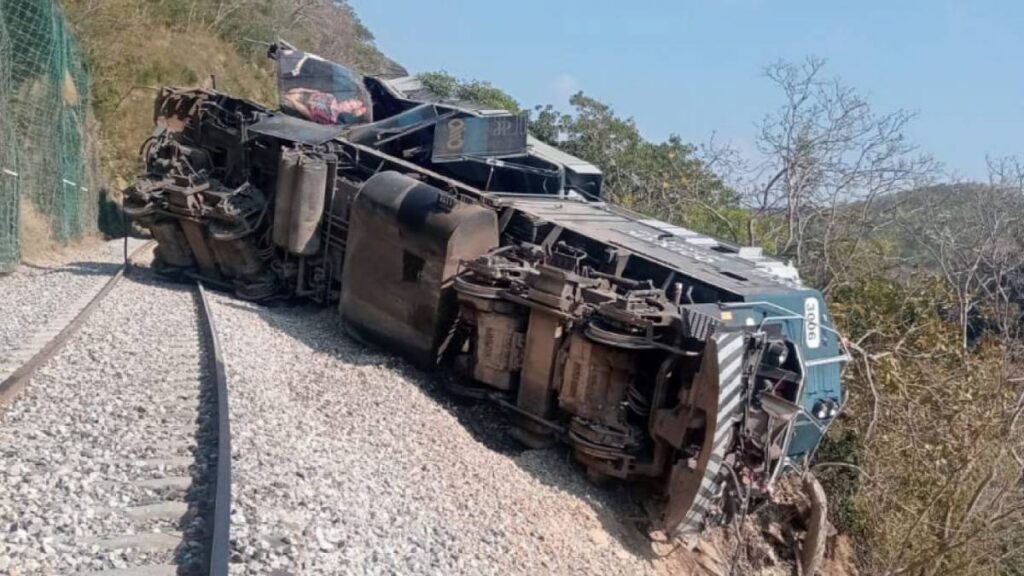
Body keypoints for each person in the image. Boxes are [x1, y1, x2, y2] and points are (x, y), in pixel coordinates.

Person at [282, 87, 368, 125]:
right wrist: (301, 90)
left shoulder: (331, 118)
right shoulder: (331, 97)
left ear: (349, 112)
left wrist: (292, 101)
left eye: (350, 106)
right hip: (297, 96)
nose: (346, 103)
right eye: (348, 101)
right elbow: (312, 91)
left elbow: (308, 114)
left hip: (292, 109)